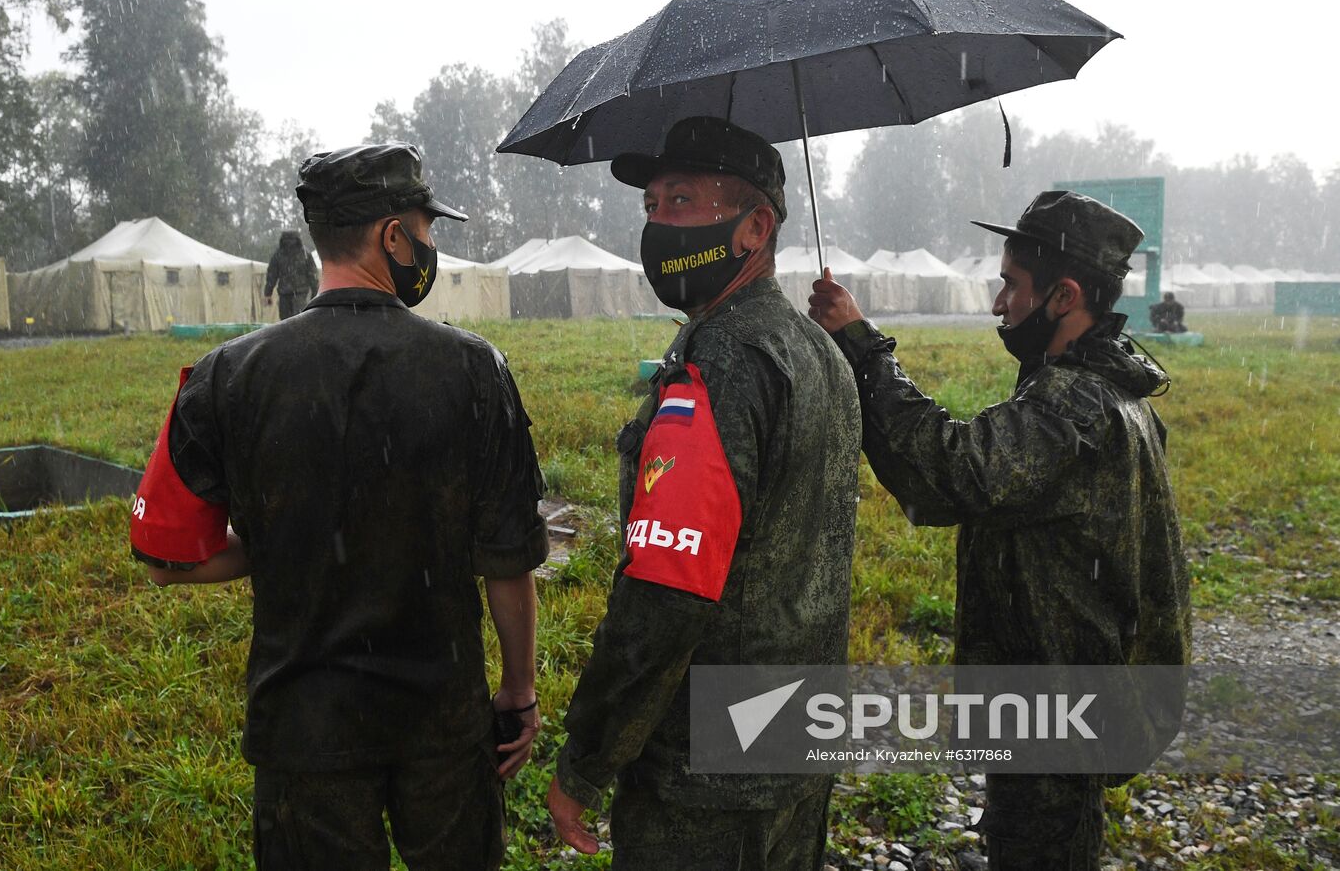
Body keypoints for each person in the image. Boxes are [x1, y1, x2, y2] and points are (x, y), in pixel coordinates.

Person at [129, 142, 549, 871]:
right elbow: (507, 560)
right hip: (441, 723)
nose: (431, 245)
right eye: (427, 229)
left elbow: (166, 560)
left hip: (304, 731)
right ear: (394, 236)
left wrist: (286, 540)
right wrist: (519, 690)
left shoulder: (226, 376)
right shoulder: (475, 369)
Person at [808, 190, 1191, 871]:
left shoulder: (1074, 404)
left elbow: (952, 473)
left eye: (1011, 286)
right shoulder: (1104, 388)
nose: (997, 304)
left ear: (1065, 296)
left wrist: (862, 348)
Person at [546, 116, 861, 870]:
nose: (657, 225)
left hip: (706, 776)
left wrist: (585, 762)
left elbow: (667, 591)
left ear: (754, 228)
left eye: (682, 201)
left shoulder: (720, 362)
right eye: (651, 206)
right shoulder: (821, 350)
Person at [263, 229, 319, 319]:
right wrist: (315, 294)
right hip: (300, 294)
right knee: (300, 322)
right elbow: (313, 275)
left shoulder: (278, 254)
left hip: (285, 295)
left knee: (285, 324)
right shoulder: (305, 254)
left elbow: (271, 276)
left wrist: (268, 293)